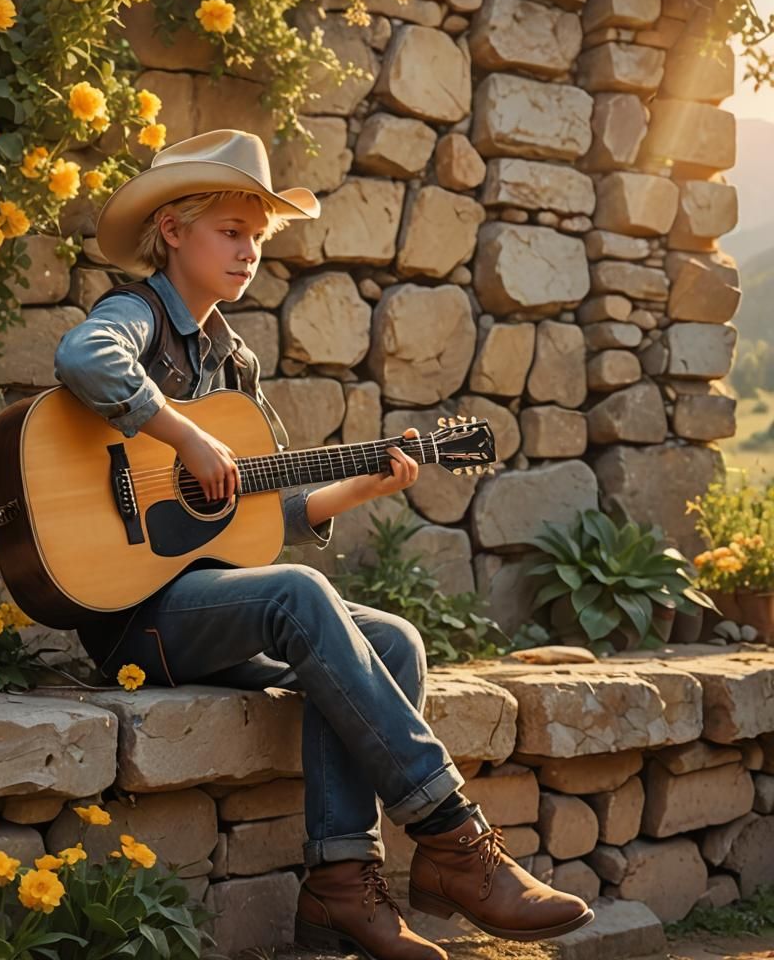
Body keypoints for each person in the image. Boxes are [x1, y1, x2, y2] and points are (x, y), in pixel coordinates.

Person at [53, 129, 593, 960]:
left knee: (395, 638)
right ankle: (454, 839)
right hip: (133, 619)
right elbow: (82, 357)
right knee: (298, 595)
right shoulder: (136, 314)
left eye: (256, 238)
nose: (246, 251)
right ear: (172, 230)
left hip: (205, 607)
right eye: (229, 231)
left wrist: (367, 482)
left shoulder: (235, 366)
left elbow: (261, 512)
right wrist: (184, 436)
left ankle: (340, 885)